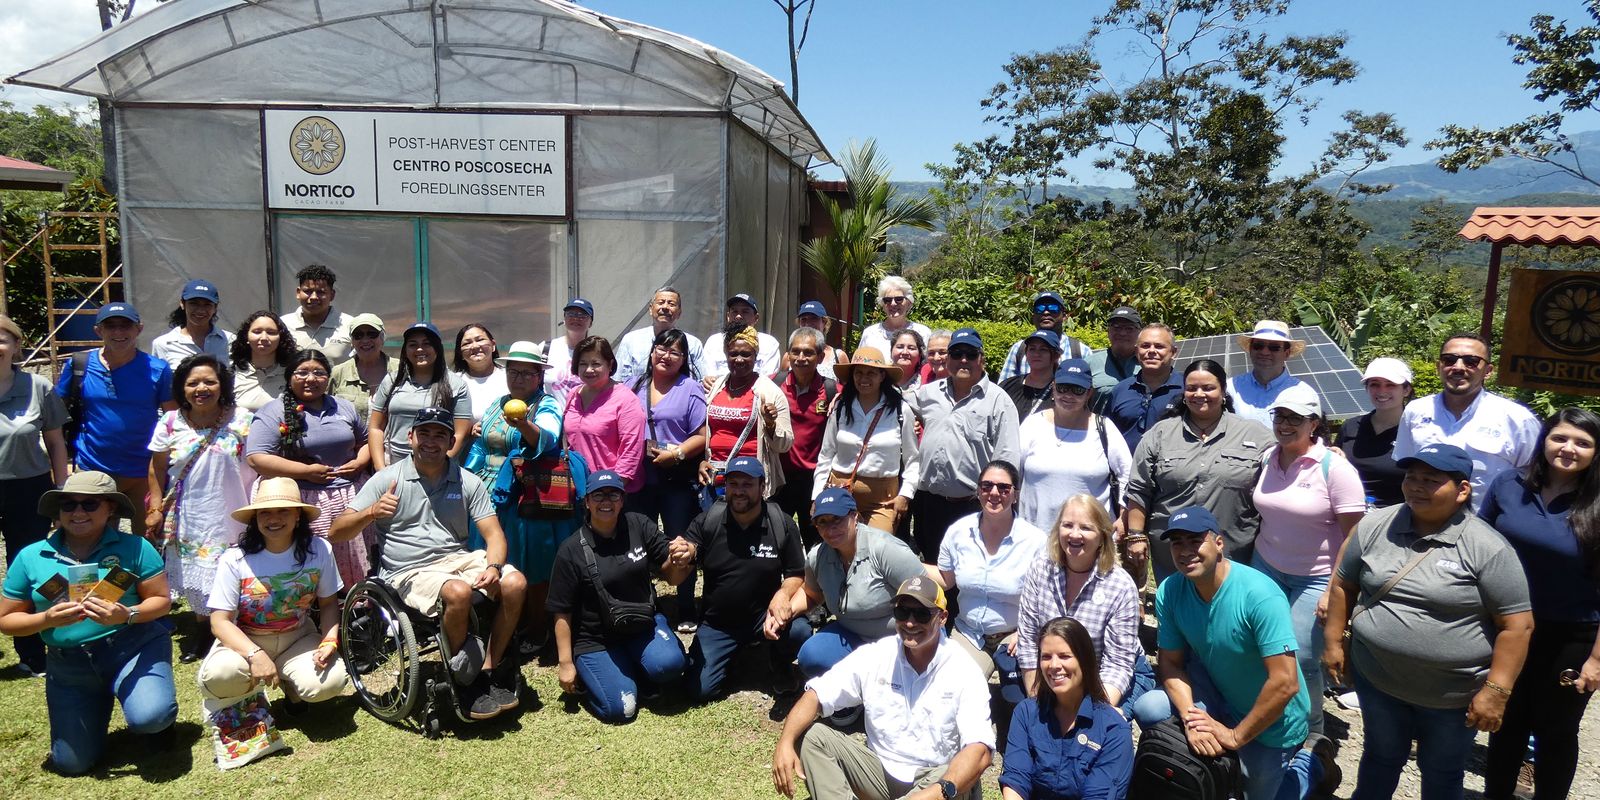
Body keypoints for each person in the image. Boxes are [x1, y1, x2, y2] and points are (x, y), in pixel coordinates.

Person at [1323, 444, 1533, 800]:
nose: (1416, 486)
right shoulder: (1375, 525)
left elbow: (1517, 626)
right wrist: (1333, 642)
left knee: (1441, 772)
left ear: (1462, 490)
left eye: (1431, 480)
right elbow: (1344, 583)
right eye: (1411, 477)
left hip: (1450, 696)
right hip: (1379, 681)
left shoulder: (1488, 548)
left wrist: (1496, 691)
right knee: (1380, 758)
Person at [332, 407, 527, 720]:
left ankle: (485, 670)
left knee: (515, 583)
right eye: (424, 433)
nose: (431, 441)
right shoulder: (387, 479)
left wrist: (492, 568)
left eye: (440, 435)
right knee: (459, 593)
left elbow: (495, 536)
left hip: (457, 559)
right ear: (411, 437)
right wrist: (371, 512)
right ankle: (464, 680)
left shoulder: (467, 481)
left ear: (451, 441)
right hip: (407, 570)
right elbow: (335, 531)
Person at [1130, 506, 1337, 800]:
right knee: (1150, 707)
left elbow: (1285, 683)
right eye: (1178, 542)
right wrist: (1191, 719)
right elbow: (1171, 665)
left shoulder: (1259, 594)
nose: (1185, 551)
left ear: (1218, 543)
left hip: (1273, 715)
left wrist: (1233, 737)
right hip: (1216, 690)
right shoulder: (1170, 590)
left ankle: (1313, 763)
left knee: (1258, 792)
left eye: (1195, 540)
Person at [0, 472, 176, 776]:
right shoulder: (31, 557)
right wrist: (45, 619)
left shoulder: (135, 548)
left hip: (132, 647)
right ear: (58, 511)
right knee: (71, 764)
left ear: (110, 509)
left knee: (151, 716)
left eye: (90, 505)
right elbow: (6, 620)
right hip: (70, 666)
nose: (78, 512)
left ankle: (154, 720)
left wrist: (127, 614)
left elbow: (161, 601)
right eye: (68, 504)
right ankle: (99, 706)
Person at [771, 575, 994, 800]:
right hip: (880, 773)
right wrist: (785, 742)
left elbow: (980, 749)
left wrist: (935, 794)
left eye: (922, 614)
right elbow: (817, 694)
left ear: (942, 617)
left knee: (952, 773)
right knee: (814, 737)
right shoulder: (878, 655)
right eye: (902, 612)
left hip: (933, 781)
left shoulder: (963, 669)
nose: (909, 622)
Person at [1478, 408, 1600, 800]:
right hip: (1508, 626)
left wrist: (1596, 659)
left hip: (1572, 632)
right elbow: (1479, 547)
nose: (1568, 448)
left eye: (1583, 443)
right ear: (1543, 439)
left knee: (1557, 730)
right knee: (1506, 720)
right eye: (1560, 438)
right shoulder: (1509, 484)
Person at [1250, 383, 1365, 735]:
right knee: (1261, 648)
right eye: (1280, 416)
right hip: (1267, 565)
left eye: (1295, 418)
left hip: (1315, 578)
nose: (1284, 424)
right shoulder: (1269, 457)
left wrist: (1335, 589)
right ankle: (1267, 714)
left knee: (1301, 658)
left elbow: (1355, 536)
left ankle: (1312, 730)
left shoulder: (1334, 468)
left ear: (1314, 423)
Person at [547, 471, 692, 723]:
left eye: (613, 494)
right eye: (598, 495)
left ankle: (634, 666)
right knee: (622, 710)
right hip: (595, 639)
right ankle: (600, 675)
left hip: (641, 625)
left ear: (622, 500)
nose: (606, 501)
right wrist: (565, 663)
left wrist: (681, 558)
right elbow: (562, 610)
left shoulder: (638, 525)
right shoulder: (570, 550)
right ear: (587, 502)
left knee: (670, 664)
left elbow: (672, 577)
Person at [198, 478, 347, 712]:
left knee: (329, 683)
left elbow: (328, 603)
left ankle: (291, 686)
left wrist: (329, 641)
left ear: (298, 516)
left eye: (283, 511)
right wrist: (254, 654)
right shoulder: (235, 559)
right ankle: (249, 703)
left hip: (298, 637)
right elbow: (219, 621)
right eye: (265, 512)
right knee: (221, 675)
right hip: (247, 639)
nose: (274, 519)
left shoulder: (319, 549)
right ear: (255, 519)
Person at [145, 353, 254, 663]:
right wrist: (155, 505)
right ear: (182, 388)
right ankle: (204, 631)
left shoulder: (242, 419)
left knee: (234, 569)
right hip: (191, 515)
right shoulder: (169, 422)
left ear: (223, 385)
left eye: (210, 381)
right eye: (193, 383)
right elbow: (156, 468)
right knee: (197, 576)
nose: (201, 388)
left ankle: (238, 628)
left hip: (236, 511)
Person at [1124, 358, 1271, 582]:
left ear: (1223, 392)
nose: (1199, 394)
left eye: (1208, 388)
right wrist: (1135, 536)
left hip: (1234, 551)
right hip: (1172, 554)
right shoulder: (1160, 433)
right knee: (1178, 610)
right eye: (1191, 388)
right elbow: (1138, 489)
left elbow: (1288, 464)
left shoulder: (1255, 435)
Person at [463, 340, 569, 645]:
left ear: (539, 377)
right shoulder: (498, 403)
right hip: (487, 492)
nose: (519, 379)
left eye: (527, 373)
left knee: (529, 562)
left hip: (524, 496)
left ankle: (537, 627)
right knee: (489, 557)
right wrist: (468, 477)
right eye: (514, 372)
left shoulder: (545, 405)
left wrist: (523, 424)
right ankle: (501, 621)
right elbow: (482, 444)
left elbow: (547, 440)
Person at [681, 457, 811, 701]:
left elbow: (796, 573)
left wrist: (783, 594)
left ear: (762, 487)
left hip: (764, 617)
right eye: (733, 483)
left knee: (800, 630)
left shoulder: (780, 523)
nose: (739, 491)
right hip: (718, 622)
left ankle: (778, 661)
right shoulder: (708, 521)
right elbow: (683, 559)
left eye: (747, 484)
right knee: (699, 691)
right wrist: (682, 554)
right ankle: (732, 657)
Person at [246, 349, 373, 589]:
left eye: (319, 373)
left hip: (348, 496)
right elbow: (257, 458)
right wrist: (304, 472)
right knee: (309, 559)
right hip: (303, 499)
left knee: (351, 558)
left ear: (328, 377)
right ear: (289, 377)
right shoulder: (274, 411)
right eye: (302, 372)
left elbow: (366, 441)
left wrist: (359, 462)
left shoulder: (343, 407)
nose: (310, 379)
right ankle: (308, 606)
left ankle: (350, 605)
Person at [1017, 494, 1150, 711]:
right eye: (1067, 525)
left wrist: (1091, 714)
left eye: (1086, 528)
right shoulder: (1040, 569)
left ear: (1102, 537)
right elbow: (1029, 641)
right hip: (1054, 672)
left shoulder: (1120, 585)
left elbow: (1117, 663)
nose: (1075, 534)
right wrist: (1036, 701)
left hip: (1103, 679)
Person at [55, 302, 176, 535]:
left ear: (138, 329)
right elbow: (58, 419)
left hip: (143, 472)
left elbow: (172, 421)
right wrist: (61, 474)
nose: (118, 333)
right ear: (98, 331)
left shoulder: (157, 369)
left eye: (125, 326)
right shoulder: (79, 365)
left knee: (147, 541)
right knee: (91, 541)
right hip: (93, 469)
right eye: (111, 326)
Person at [930, 460, 1047, 700]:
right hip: (968, 633)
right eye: (987, 486)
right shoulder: (958, 532)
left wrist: (1026, 632)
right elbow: (946, 580)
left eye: (1003, 488)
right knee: (950, 694)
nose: (994, 493)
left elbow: (1046, 598)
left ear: (1015, 494)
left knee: (1017, 699)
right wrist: (897, 560)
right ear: (978, 491)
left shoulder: (1035, 541)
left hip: (1013, 634)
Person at [1393, 332, 1542, 512]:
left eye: (1471, 361)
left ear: (1488, 371)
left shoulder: (1517, 419)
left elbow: (1534, 478)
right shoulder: (1415, 411)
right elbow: (1407, 469)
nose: (1458, 367)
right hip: (1423, 522)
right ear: (1438, 367)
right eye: (1449, 359)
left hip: (1489, 526)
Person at [788, 488, 927, 678]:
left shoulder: (884, 549)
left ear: (855, 517)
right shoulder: (816, 557)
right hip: (851, 634)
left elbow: (926, 594)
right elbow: (812, 593)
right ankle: (850, 697)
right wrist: (786, 612)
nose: (831, 528)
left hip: (898, 637)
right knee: (812, 656)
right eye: (823, 522)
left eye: (837, 519)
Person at [910, 327, 1021, 561]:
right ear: (947, 358)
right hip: (929, 504)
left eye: (970, 354)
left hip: (971, 507)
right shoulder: (928, 394)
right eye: (956, 353)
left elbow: (1007, 458)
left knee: (967, 572)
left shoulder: (999, 401)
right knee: (931, 568)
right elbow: (893, 403)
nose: (963, 360)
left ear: (981, 359)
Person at [0, 314, 70, 676]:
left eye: (2, 339)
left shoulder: (38, 387)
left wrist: (61, 494)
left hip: (29, 487)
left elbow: (56, 443)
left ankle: (31, 651)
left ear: (16, 345)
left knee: (25, 566)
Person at [1000, 616, 1135, 800]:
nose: (1054, 666)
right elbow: (1016, 779)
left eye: (1064, 656)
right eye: (1046, 657)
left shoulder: (1113, 730)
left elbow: (1099, 796)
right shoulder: (1026, 713)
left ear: (1084, 660)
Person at [629, 329, 707, 630]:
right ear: (652, 352)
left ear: (684, 359)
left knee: (680, 540)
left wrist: (675, 455)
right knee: (638, 540)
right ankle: (644, 600)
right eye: (662, 348)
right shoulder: (634, 385)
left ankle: (686, 604)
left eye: (675, 352)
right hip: (640, 477)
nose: (667, 355)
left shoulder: (691, 388)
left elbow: (702, 435)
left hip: (676, 477)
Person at [811, 347, 919, 533]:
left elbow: (912, 459)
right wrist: (817, 495)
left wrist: (905, 495)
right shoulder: (841, 408)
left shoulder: (900, 410)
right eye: (858, 373)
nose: (864, 379)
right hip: (840, 490)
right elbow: (826, 455)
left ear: (882, 376)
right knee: (841, 549)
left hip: (883, 499)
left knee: (878, 550)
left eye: (871, 373)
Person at [1017, 359, 1131, 534]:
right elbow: (1012, 472)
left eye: (1078, 390)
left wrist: (1124, 516)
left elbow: (1128, 474)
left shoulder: (1105, 428)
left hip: (1090, 538)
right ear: (1053, 387)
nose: (1069, 395)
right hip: (1035, 535)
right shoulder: (1032, 424)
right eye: (1063, 388)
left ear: (1089, 393)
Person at [697, 323, 793, 507]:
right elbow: (706, 433)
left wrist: (771, 424)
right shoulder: (715, 388)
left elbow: (785, 445)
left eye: (746, 354)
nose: (739, 359)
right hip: (714, 482)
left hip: (749, 484)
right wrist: (703, 461)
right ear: (726, 355)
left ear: (756, 356)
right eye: (733, 354)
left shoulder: (770, 392)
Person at [369, 321, 471, 470]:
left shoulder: (456, 385)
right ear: (405, 350)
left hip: (437, 468)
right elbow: (375, 427)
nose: (419, 349)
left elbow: (461, 434)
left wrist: (438, 466)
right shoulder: (392, 380)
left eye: (427, 344)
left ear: (437, 348)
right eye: (413, 344)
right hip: (394, 465)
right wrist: (380, 468)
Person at [776, 327, 836, 547]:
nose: (801, 358)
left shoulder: (831, 391)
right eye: (796, 351)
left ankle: (814, 581)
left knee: (815, 540)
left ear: (820, 357)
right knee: (777, 537)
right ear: (788, 354)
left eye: (808, 352)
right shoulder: (774, 385)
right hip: (780, 479)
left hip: (814, 480)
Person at [565, 335, 647, 492]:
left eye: (596, 363)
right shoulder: (573, 394)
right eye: (583, 363)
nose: (589, 369)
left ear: (610, 365)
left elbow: (631, 449)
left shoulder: (626, 400)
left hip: (610, 490)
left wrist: (612, 489)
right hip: (577, 487)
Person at [1337, 357, 1413, 509]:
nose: (1381, 391)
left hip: (1397, 519)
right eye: (1375, 384)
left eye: (1390, 385)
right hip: (1349, 515)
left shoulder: (1416, 432)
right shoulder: (1350, 427)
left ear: (1406, 390)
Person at [1106, 323, 1184, 452]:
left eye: (1159, 346)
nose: (1151, 351)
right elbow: (1108, 434)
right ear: (1137, 351)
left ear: (1173, 352)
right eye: (1145, 346)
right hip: (1127, 470)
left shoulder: (1187, 389)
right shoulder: (1121, 390)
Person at [1227, 320, 1311, 429]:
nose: (1265, 352)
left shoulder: (1303, 393)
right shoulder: (1230, 388)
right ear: (1251, 350)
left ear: (1287, 353)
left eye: (1274, 347)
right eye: (1258, 346)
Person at [615, 287, 706, 384]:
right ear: (650, 309)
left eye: (671, 304)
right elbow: (618, 380)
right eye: (661, 302)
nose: (665, 307)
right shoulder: (631, 340)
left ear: (679, 313)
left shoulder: (693, 344)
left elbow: (701, 381)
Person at [998, 292, 1090, 381]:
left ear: (1064, 316)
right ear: (1033, 316)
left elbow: (1090, 391)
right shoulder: (1019, 348)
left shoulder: (1081, 351)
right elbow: (1005, 389)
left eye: (1053, 308)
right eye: (1040, 308)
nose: (1046, 312)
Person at [151, 279, 234, 369]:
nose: (200, 310)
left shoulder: (230, 341)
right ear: (182, 304)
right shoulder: (163, 344)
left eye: (207, 305)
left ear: (215, 308)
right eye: (194, 304)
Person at [280, 264, 354, 362]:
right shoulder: (283, 325)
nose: (314, 297)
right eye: (308, 291)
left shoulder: (350, 325)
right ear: (298, 292)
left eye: (321, 292)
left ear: (332, 295)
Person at [700, 293, 782, 379]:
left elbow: (768, 379)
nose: (738, 316)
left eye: (745, 312)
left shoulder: (769, 343)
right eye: (734, 311)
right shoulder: (714, 342)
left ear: (756, 318)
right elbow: (709, 377)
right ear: (728, 316)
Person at [230, 310, 296, 413]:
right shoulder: (231, 374)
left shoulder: (292, 375)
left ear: (280, 338)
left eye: (271, 332)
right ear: (246, 336)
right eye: (257, 332)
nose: (264, 338)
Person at [327, 312, 391, 419]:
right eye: (358, 335)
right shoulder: (337, 373)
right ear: (352, 341)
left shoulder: (400, 370)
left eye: (372, 334)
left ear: (382, 337)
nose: (365, 340)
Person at [856, 275, 932, 356]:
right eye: (887, 300)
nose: (893, 303)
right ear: (882, 305)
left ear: (909, 303)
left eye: (899, 299)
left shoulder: (923, 332)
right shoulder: (870, 333)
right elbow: (861, 364)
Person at [999, 330, 1062, 421]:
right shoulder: (1008, 386)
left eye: (1043, 349)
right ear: (1026, 353)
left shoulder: (1062, 391)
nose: (1036, 354)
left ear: (1056, 356)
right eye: (1032, 349)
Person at [1085, 306, 1142, 403]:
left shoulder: (1148, 362)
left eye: (1129, 328)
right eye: (1117, 327)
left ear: (1140, 332)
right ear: (1108, 331)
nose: (1123, 333)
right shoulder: (1089, 363)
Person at [453, 323, 506, 423]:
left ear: (493, 345)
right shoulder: (453, 382)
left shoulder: (510, 377)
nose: (474, 346)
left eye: (480, 340)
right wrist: (469, 431)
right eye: (467, 343)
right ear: (460, 353)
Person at [781, 300, 847, 381]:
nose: (808, 324)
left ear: (824, 322)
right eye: (803, 319)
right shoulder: (788, 357)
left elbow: (847, 389)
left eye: (814, 318)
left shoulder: (839, 357)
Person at [544, 298, 593, 402]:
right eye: (571, 314)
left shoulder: (596, 352)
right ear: (564, 319)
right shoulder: (546, 348)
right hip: (550, 416)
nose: (576, 318)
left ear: (590, 323)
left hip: (586, 417)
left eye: (582, 315)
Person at [889, 327, 926, 392]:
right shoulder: (880, 379)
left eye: (911, 348)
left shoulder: (927, 381)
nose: (905, 352)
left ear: (920, 354)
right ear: (891, 351)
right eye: (900, 347)